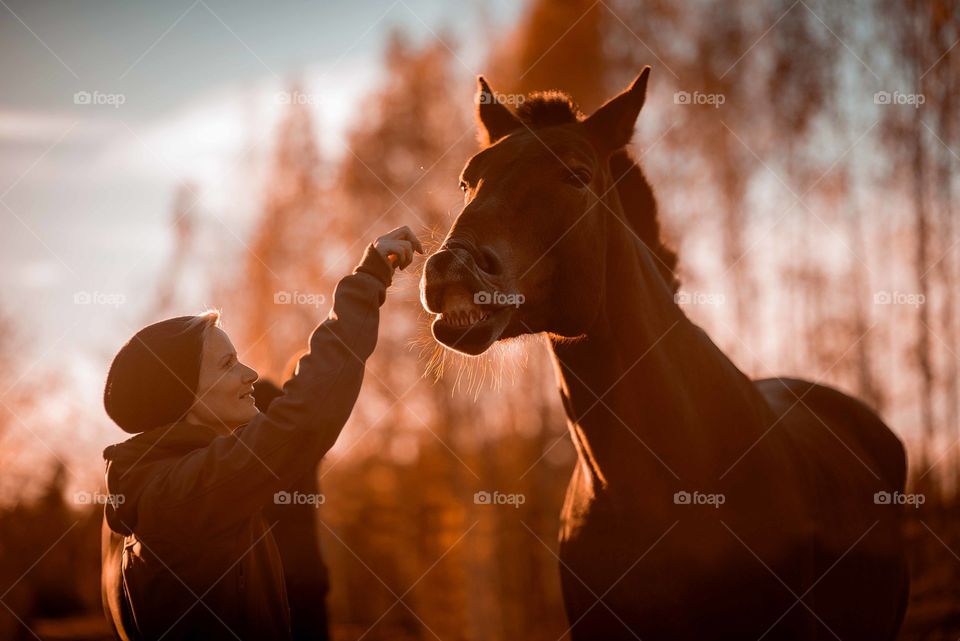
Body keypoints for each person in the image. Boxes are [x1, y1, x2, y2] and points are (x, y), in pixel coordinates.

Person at [99, 226, 422, 641]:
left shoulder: (155, 488)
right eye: (227, 364)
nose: (250, 374)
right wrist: (368, 280)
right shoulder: (182, 492)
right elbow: (304, 419)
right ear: (181, 397)